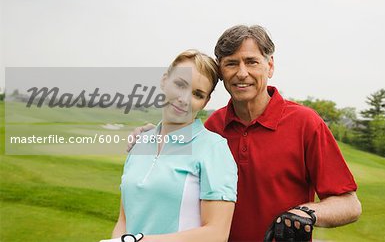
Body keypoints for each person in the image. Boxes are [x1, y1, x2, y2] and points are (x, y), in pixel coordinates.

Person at [131, 25, 362, 242]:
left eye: (251, 62)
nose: (242, 73)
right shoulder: (213, 126)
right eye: (231, 64)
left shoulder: (306, 123)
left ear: (270, 66)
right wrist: (155, 135)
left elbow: (350, 204)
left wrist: (306, 213)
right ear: (221, 72)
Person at [102, 50, 238, 242]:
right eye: (180, 85)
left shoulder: (214, 149)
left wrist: (140, 241)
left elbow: (216, 234)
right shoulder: (140, 143)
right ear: (165, 80)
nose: (184, 99)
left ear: (205, 102)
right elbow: (124, 221)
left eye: (197, 94)